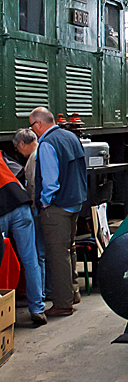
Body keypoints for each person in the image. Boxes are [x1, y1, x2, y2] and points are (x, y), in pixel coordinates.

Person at [29, 107, 88, 318]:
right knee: (69, 249)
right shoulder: (71, 136)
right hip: (75, 202)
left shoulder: (47, 144)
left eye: (32, 125)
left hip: (58, 207)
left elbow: (50, 182)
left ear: (38, 124)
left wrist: (45, 203)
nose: (33, 130)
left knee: (57, 254)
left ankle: (63, 304)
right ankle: (72, 293)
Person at [0, 150, 46, 326]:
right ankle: (37, 309)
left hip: (2, 210)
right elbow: (20, 170)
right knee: (30, 259)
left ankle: (3, 307)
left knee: (2, 259)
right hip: (21, 203)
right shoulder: (2, 155)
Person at [12, 128, 46, 302]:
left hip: (36, 209)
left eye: (18, 149)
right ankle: (38, 302)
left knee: (37, 255)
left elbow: (32, 187)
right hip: (34, 209)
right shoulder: (42, 151)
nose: (19, 153)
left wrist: (34, 209)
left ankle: (40, 294)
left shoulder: (33, 159)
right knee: (34, 257)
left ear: (23, 144)